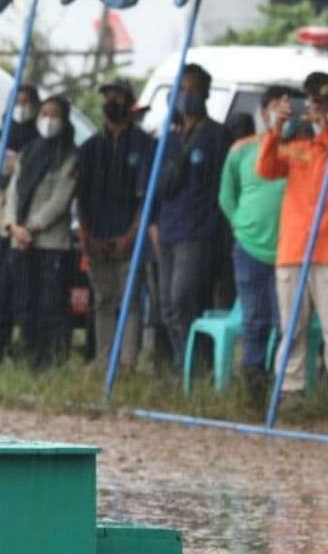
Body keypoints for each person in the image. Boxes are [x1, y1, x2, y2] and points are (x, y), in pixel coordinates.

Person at [257, 86, 328, 419]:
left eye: (321, 107)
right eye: (311, 106)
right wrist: (275, 127)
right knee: (292, 328)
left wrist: (327, 131)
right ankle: (290, 394)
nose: (313, 112)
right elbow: (265, 168)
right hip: (294, 250)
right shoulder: (297, 149)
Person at [150, 63, 231, 365]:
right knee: (168, 305)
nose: (187, 96)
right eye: (181, 90)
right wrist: (154, 224)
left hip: (198, 231)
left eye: (193, 90)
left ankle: (198, 365)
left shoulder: (217, 135)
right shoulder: (168, 138)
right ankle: (183, 364)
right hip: (168, 229)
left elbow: (222, 187)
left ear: (206, 93)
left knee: (185, 297)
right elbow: (156, 186)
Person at [217, 85, 291, 400]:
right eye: (277, 107)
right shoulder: (241, 149)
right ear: (263, 112)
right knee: (254, 317)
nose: (282, 113)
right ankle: (253, 383)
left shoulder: (297, 149)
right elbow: (226, 195)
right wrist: (240, 226)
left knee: (283, 321)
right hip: (248, 247)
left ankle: (284, 386)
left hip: (288, 250)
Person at [75, 80, 152, 372]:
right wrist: (87, 237)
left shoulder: (144, 145)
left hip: (129, 239)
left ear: (128, 102)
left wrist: (129, 237)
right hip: (96, 238)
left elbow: (145, 198)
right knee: (103, 301)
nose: (112, 101)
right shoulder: (90, 148)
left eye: (118, 96)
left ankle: (128, 363)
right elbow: (80, 196)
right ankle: (105, 360)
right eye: (108, 97)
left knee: (129, 302)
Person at [4, 96, 78, 370]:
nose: (47, 119)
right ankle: (29, 358)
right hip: (22, 242)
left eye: (54, 114)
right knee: (25, 302)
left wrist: (31, 228)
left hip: (51, 244)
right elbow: (12, 193)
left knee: (52, 304)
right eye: (44, 113)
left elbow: (60, 200)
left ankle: (53, 361)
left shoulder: (69, 156)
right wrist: (13, 226)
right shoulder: (28, 152)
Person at [0, 83, 40, 363]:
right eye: (17, 101)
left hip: (26, 225)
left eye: (26, 102)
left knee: (24, 289)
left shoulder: (38, 141)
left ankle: (24, 347)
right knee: (0, 289)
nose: (22, 107)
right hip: (0, 225)